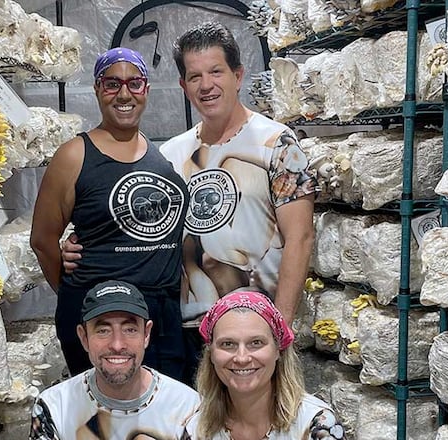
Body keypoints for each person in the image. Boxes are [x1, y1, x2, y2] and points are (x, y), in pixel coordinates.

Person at [62, 22, 318, 383]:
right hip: (186, 329)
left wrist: (281, 328)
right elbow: (143, 226)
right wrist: (76, 247)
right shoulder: (171, 153)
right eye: (194, 76)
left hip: (253, 328)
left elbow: (301, 238)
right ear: (183, 86)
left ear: (238, 75)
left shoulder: (276, 144)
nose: (206, 85)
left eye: (216, 71)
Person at [30, 48, 189, 379]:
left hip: (161, 315)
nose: (124, 94)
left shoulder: (158, 155)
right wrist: (78, 294)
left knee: (164, 418)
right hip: (103, 317)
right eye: (112, 84)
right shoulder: (74, 155)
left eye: (135, 83)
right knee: (105, 420)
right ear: (97, 90)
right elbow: (43, 240)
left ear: (146, 89)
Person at [29, 280, 201, 440]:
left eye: (130, 329)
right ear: (84, 337)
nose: (117, 345)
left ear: (146, 334)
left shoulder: (187, 407)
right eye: (103, 330)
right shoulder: (54, 406)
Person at [180, 290, 345, 440]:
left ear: (278, 350)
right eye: (228, 344)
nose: (242, 358)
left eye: (256, 343)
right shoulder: (197, 430)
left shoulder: (316, 425)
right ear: (211, 355)